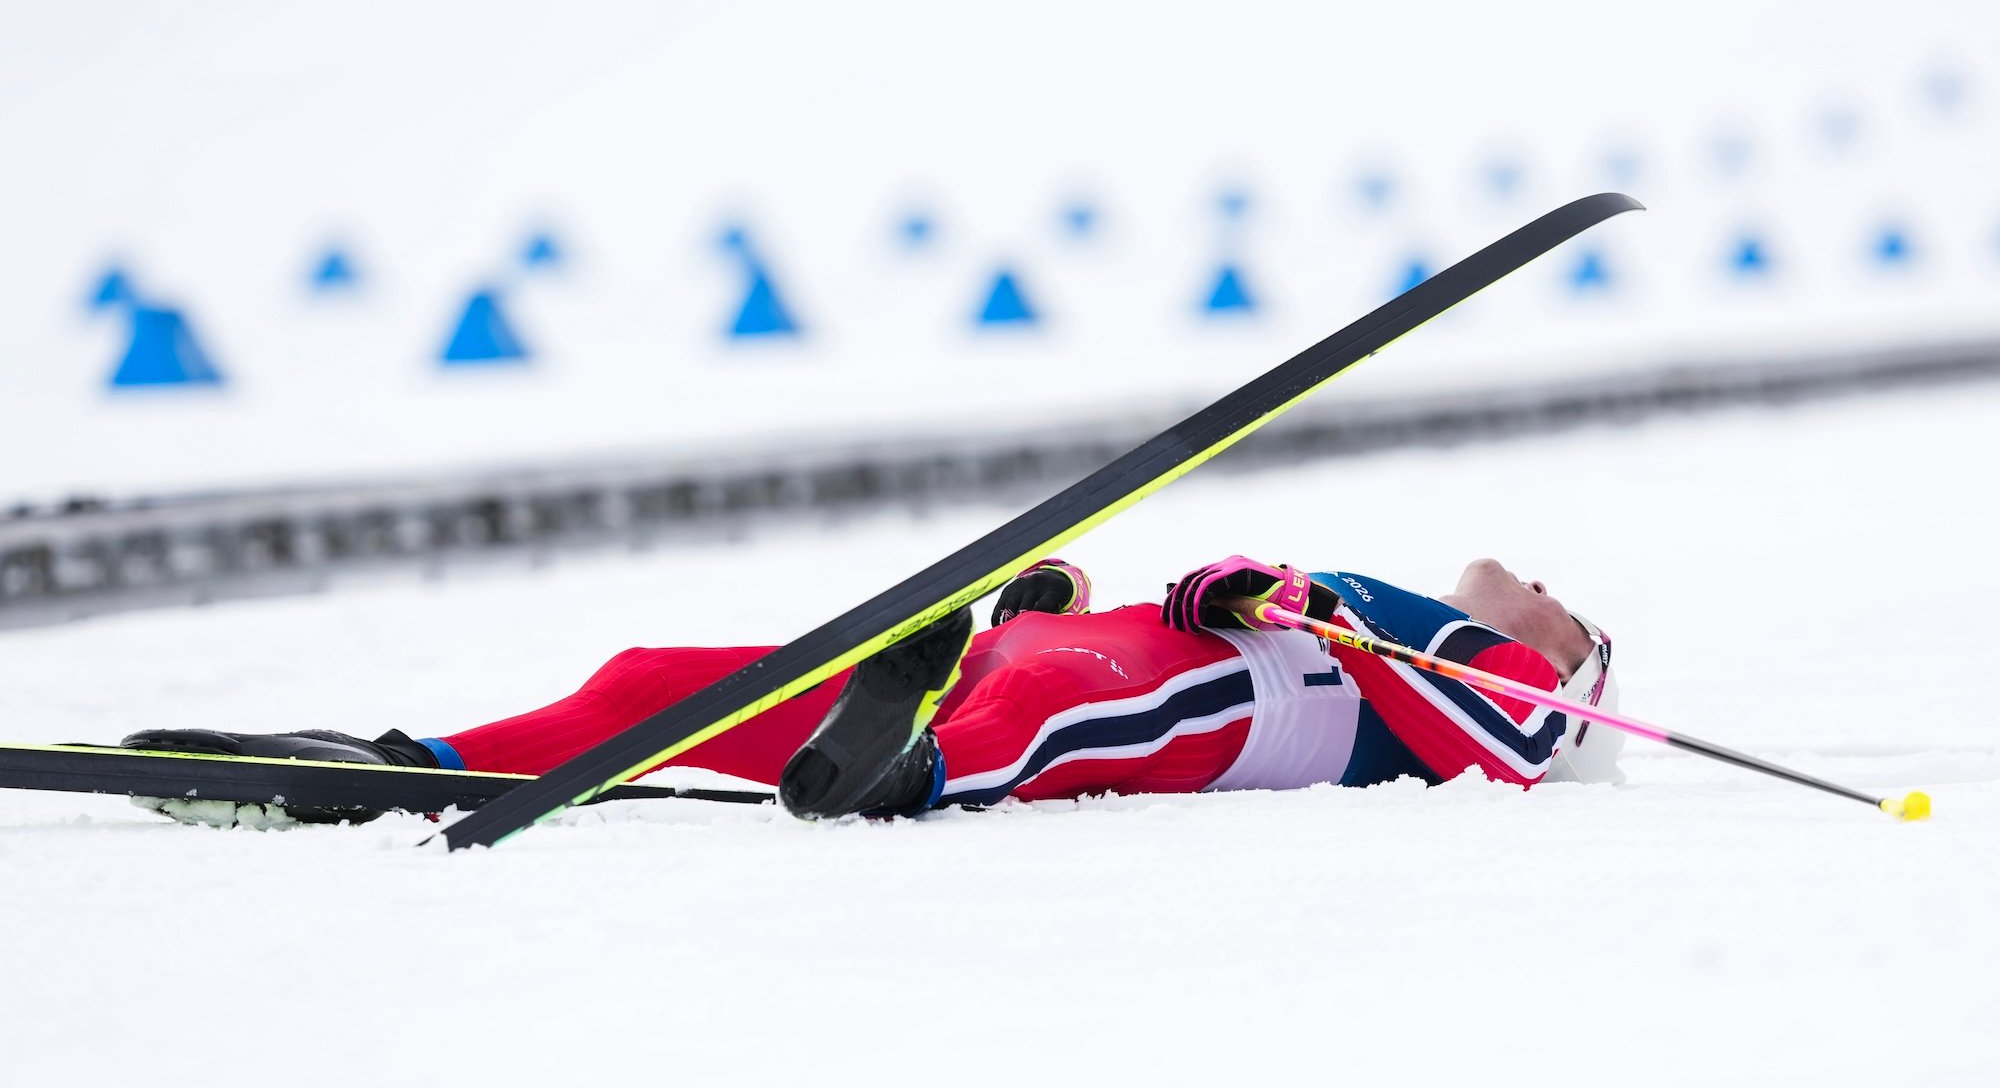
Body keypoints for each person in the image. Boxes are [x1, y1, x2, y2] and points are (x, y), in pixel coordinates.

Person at [121, 555, 1622, 826]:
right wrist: (1056, 601)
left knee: (1046, 708)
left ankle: (901, 777)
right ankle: (413, 762)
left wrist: (1321, 605)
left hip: (1225, 708)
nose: (1537, 576)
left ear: (1564, 650)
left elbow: (1509, 749)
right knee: (662, 681)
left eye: (1566, 602)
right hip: (1091, 655)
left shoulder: (1489, 667)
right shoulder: (1412, 612)